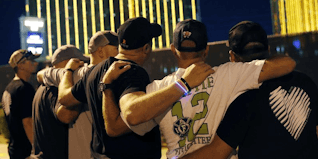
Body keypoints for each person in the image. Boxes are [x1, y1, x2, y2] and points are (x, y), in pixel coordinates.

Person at [101, 19, 297, 159]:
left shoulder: (158, 89)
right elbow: (286, 65)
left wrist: (107, 87)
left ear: (173, 49)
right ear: (206, 50)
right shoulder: (229, 74)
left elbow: (118, 125)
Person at [58, 17, 215, 158]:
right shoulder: (133, 72)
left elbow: (64, 98)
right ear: (146, 48)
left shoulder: (94, 71)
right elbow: (119, 125)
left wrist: (68, 71)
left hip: (98, 154)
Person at [181, 21, 318, 159]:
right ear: (268, 49)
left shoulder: (243, 94)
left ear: (232, 57)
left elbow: (217, 152)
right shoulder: (305, 81)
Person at [37, 31, 119, 159]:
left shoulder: (73, 75)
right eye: (116, 48)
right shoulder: (105, 73)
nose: (120, 52)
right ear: (101, 51)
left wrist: (67, 71)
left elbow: (41, 74)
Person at [32, 45, 89, 159]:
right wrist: (79, 93)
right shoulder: (54, 88)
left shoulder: (44, 85)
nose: (82, 65)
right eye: (79, 62)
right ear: (69, 62)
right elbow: (66, 116)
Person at [1, 49, 40, 159]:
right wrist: (36, 150)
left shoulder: (9, 88)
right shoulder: (24, 89)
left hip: (14, 149)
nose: (35, 63)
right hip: (25, 151)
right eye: (31, 60)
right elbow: (27, 122)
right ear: (20, 65)